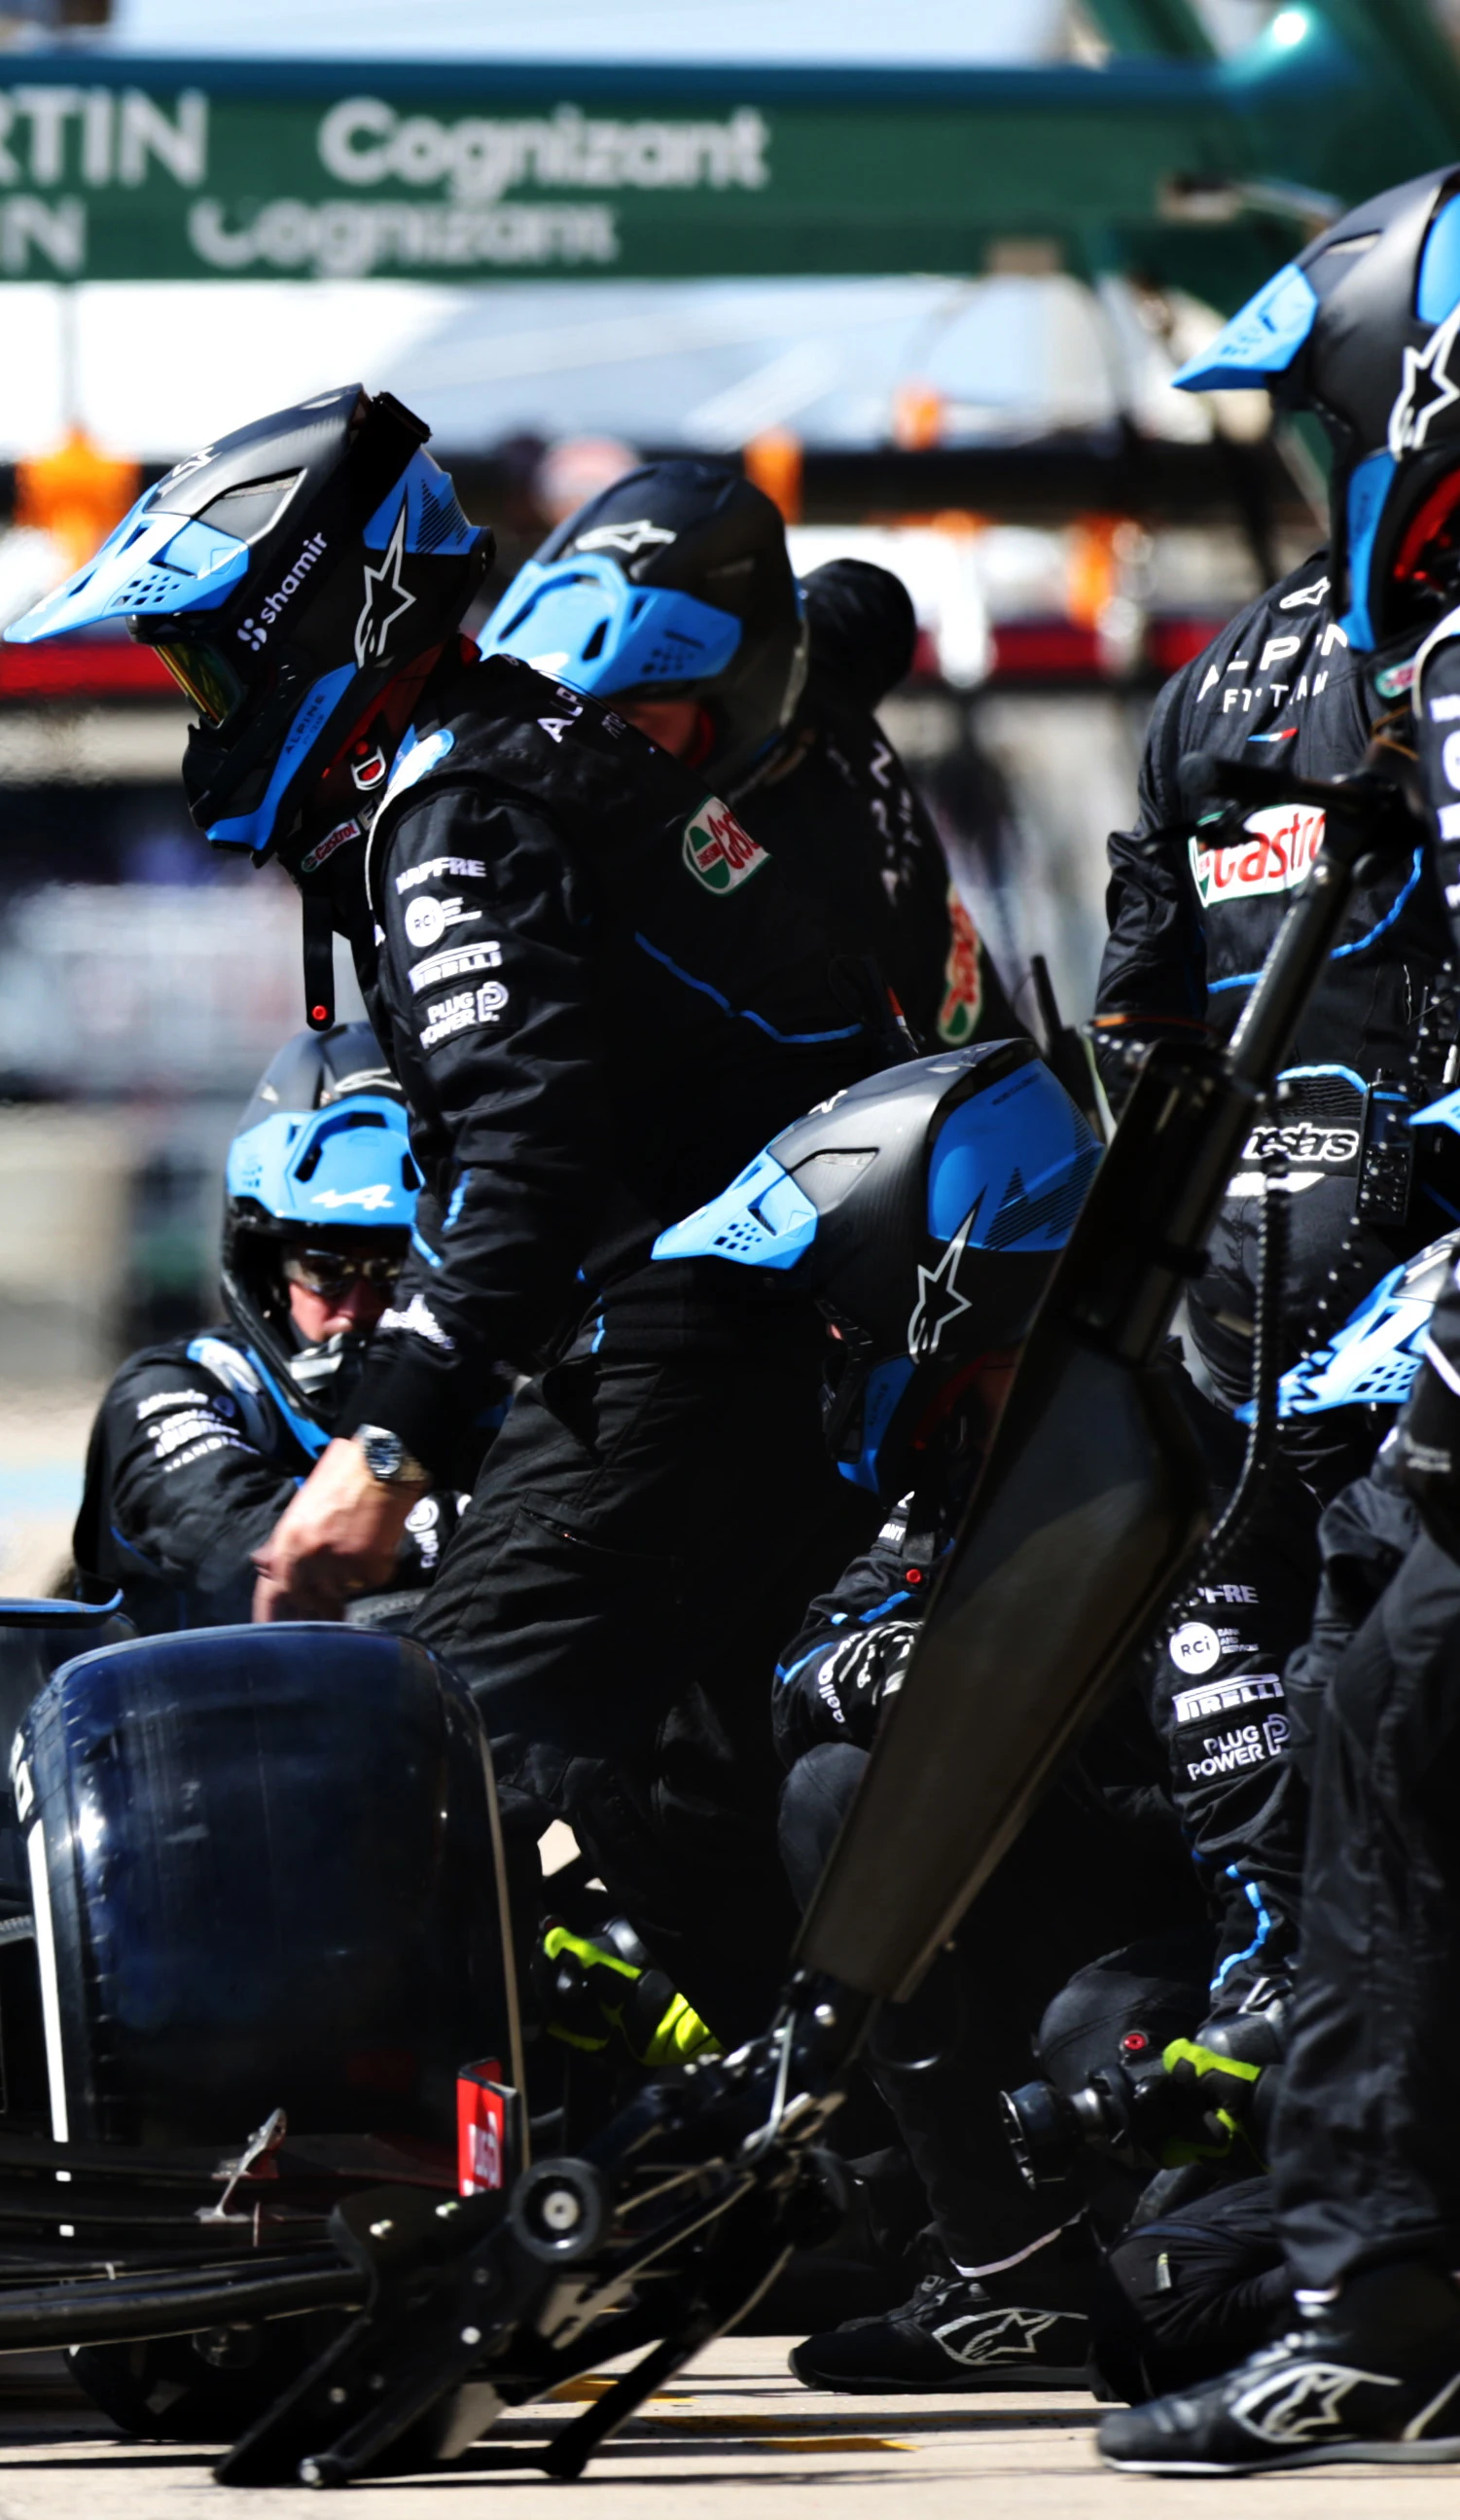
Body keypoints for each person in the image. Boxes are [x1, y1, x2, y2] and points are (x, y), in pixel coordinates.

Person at [2, 384, 899, 2031]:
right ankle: (907, 2213)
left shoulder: (453, 809)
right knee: (678, 1794)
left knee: (408, 1749)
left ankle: (328, 2207)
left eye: (211, 663)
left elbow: (531, 1160)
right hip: (790, 1341)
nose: (202, 710)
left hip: (687, 1340)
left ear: (315, 629)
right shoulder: (545, 748)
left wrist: (383, 1443)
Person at [1097, 241, 1460, 2472]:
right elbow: (1146, 1014)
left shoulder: (1414, 678)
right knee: (1355, 1739)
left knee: (1385, 1727)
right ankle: (1365, 2277)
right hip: (1260, 1336)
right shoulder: (1221, 698)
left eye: (1329, 421)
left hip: (1409, 1299)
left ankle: (1366, 2285)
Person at [641, 1041, 1194, 2390]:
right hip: (1090, 1913)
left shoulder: (1192, 1431)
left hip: (1217, 1920)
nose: (834, 1331)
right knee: (835, 1783)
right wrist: (910, 1676)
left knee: (1102, 2057)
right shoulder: (953, 1470)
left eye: (845, 1303)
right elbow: (810, 1664)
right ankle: (1005, 2268)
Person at [481, 457, 1013, 1051]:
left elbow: (870, 596)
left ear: (735, 689)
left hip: (981, 1092)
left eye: (632, 720)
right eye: (574, 726)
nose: (599, 753)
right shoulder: (585, 855)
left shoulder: (811, 673)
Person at [70, 1024, 441, 1632]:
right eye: (324, 1268)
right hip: (197, 1719)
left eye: (393, 1272)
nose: (359, 1306)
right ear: (264, 1267)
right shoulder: (171, 1391)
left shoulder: (493, 1406)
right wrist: (445, 1520)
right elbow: (248, 1545)